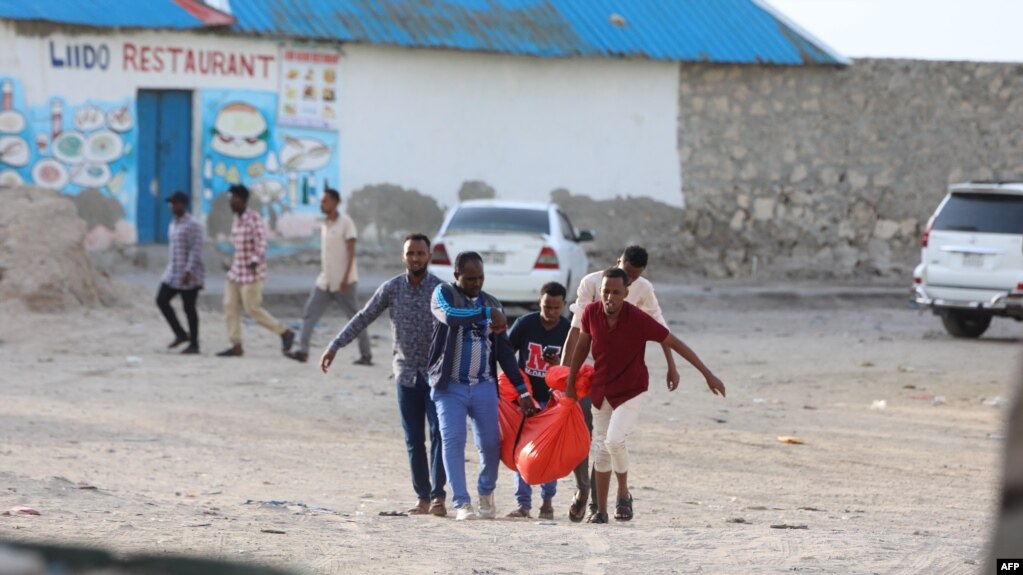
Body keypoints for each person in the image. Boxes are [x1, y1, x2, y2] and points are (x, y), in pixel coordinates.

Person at [565, 267, 726, 524]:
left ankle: (623, 492)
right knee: (601, 449)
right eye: (606, 291)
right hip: (602, 389)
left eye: (616, 293)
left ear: (626, 294)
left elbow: (674, 342)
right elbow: (582, 346)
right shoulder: (591, 313)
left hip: (631, 389)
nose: (610, 297)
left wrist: (707, 374)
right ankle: (601, 511)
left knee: (614, 440)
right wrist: (570, 382)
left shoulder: (637, 319)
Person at [319, 233, 448, 516]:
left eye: (420, 253)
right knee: (414, 439)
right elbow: (363, 316)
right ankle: (422, 498)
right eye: (410, 253)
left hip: (436, 376)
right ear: (403, 257)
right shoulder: (392, 289)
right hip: (405, 375)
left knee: (439, 434)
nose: (415, 258)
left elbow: (460, 326)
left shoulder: (441, 290)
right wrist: (335, 345)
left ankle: (439, 497)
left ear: (429, 256)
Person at [561, 245, 678, 522]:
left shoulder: (643, 289)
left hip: (619, 372)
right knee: (583, 433)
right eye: (625, 272)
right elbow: (576, 331)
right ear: (617, 263)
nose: (628, 280)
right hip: (588, 368)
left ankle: (599, 503)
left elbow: (661, 328)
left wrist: (671, 365)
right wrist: (565, 374)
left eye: (634, 278)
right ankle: (582, 490)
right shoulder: (592, 283)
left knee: (606, 440)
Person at [428, 251, 537, 521]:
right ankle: (461, 503)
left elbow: (504, 353)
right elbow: (452, 317)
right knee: (453, 441)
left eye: (480, 278)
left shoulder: (492, 303)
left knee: (490, 444)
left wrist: (521, 390)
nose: (477, 283)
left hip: (484, 386)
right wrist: (487, 313)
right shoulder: (443, 295)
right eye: (470, 278)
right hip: (449, 385)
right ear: (457, 276)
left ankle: (486, 492)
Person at [504, 281, 570, 519]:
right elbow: (506, 354)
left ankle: (547, 502)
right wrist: (515, 389)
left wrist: (557, 365)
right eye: (546, 306)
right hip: (526, 399)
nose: (550, 313)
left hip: (553, 400)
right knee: (522, 451)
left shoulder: (568, 329)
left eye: (555, 308)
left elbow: (574, 366)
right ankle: (523, 504)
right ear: (539, 302)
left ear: (563, 305)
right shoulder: (525, 324)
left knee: (548, 453)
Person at [287, 188, 371, 365]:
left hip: (344, 282)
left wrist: (345, 278)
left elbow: (351, 253)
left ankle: (366, 354)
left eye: (324, 201)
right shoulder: (325, 224)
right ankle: (303, 351)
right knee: (310, 313)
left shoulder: (346, 223)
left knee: (355, 318)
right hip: (325, 280)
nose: (321, 204)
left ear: (334, 202)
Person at [216, 184, 295, 357]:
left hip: (252, 273)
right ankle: (236, 344)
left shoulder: (254, 218)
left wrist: (254, 260)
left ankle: (284, 332)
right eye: (230, 200)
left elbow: (261, 243)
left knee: (252, 309)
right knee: (229, 305)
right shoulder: (236, 220)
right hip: (236, 271)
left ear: (243, 200)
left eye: (234, 200)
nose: (231, 203)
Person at [156, 191, 205, 355]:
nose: (172, 206)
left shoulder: (194, 225)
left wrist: (189, 270)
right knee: (161, 300)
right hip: (173, 272)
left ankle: (195, 343)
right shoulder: (173, 224)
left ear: (183, 204)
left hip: (188, 274)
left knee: (189, 308)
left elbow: (195, 250)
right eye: (171, 203)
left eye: (175, 203)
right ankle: (180, 334)